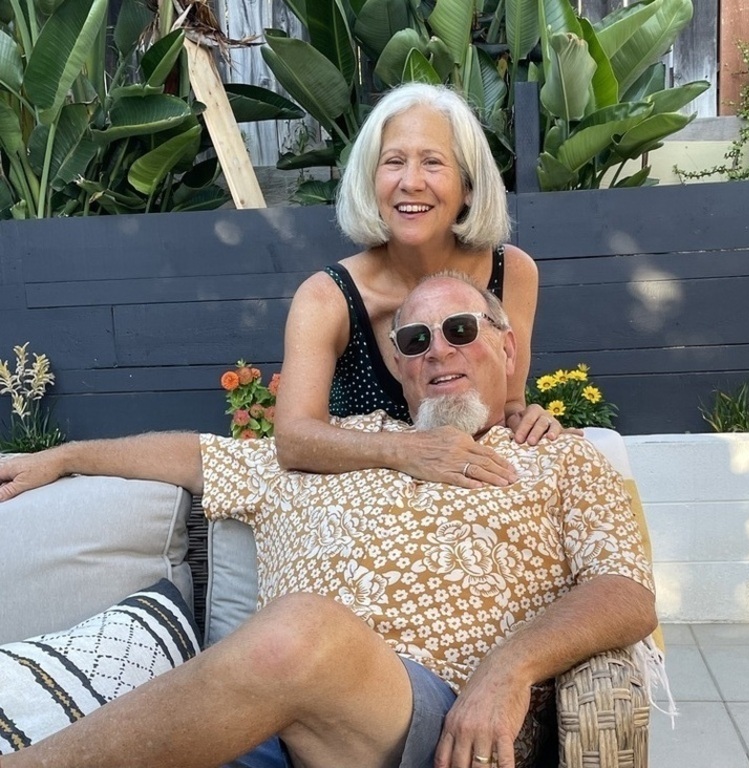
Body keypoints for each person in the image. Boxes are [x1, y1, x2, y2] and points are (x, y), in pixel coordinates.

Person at [0, 273, 657, 768]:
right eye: (415, 340)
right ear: (400, 367)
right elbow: (195, 457)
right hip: (268, 727)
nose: (437, 351)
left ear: (507, 349)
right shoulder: (334, 445)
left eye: (461, 330)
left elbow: (624, 591)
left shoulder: (557, 458)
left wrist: (509, 670)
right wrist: (62, 455)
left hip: (438, 725)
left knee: (300, 629)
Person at [273, 82, 562, 488]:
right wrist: (409, 452)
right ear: (370, 183)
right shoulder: (327, 297)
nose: (410, 182)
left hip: (477, 501)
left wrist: (530, 420)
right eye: (393, 162)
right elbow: (293, 439)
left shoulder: (512, 272)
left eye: (432, 162)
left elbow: (508, 404)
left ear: (468, 186)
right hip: (367, 511)